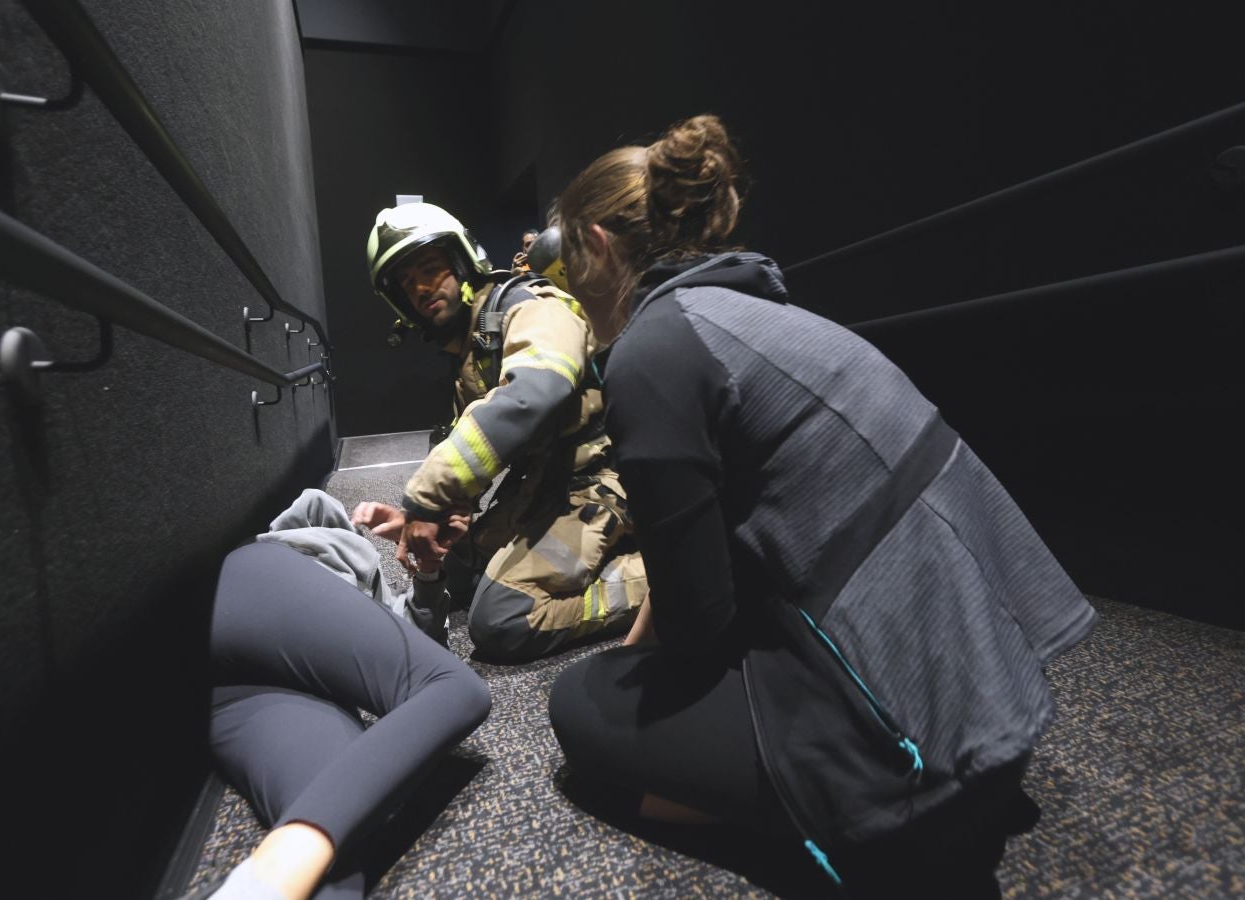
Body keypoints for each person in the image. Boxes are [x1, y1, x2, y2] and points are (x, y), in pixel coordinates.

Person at [546, 115, 1097, 895]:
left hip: (917, 768)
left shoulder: (652, 350)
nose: (573, 297)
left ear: (600, 246)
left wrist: (627, 671)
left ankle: (840, 813)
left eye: (571, 271)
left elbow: (699, 630)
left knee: (578, 708)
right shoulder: (762, 314)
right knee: (639, 673)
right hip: (993, 714)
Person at [359, 202, 648, 662]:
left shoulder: (532, 307)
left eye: (430, 270)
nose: (421, 289)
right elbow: (476, 446)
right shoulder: (475, 346)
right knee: (459, 573)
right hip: (548, 482)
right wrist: (428, 521)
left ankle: (660, 574)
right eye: (407, 284)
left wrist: (425, 500)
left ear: (461, 263)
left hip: (607, 484)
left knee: (503, 618)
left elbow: (533, 394)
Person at [188, 490, 491, 900]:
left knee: (341, 863)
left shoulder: (382, 608)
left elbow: (420, 651)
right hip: (262, 590)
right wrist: (376, 525)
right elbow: (309, 504)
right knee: (457, 690)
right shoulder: (337, 540)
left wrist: (430, 569)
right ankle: (259, 883)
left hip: (249, 689)